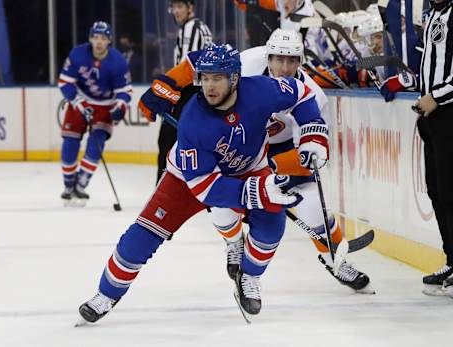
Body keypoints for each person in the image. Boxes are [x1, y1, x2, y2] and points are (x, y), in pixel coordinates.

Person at [77, 43, 328, 324]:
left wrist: (313, 134)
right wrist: (257, 192)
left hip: (250, 168)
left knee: (272, 226)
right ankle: (106, 294)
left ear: (235, 78)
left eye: (217, 78)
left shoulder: (261, 90)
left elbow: (303, 95)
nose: (209, 86)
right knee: (143, 234)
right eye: (205, 78)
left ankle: (250, 276)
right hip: (187, 179)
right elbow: (205, 188)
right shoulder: (192, 122)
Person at [139, 29, 372, 293]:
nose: (284, 67)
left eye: (291, 61)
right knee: (221, 203)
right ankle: (234, 243)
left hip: (281, 151)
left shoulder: (312, 96)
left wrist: (273, 175)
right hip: (237, 144)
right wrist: (166, 84)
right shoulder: (249, 62)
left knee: (313, 207)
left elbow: (309, 153)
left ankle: (336, 260)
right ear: (267, 56)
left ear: (301, 61)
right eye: (277, 60)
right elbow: (200, 61)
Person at [58, 21, 132, 206]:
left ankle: (81, 183)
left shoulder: (118, 62)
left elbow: (125, 90)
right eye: (96, 37)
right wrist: (77, 102)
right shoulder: (78, 54)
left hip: (105, 105)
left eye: (103, 38)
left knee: (97, 140)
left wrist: (120, 105)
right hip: (80, 100)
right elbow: (65, 82)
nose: (99, 42)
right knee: (70, 141)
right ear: (90, 38)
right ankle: (68, 185)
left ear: (109, 41)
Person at [145, 0, 213, 184]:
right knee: (178, 141)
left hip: (189, 93)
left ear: (190, 8)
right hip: (197, 93)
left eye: (180, 6)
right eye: (173, 7)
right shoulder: (197, 27)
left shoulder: (192, 28)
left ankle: (163, 189)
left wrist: (166, 90)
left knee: (167, 140)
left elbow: (188, 67)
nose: (176, 11)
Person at [413, 0, 453, 298]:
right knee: (437, 190)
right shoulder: (433, 14)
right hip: (432, 117)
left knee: (451, 192)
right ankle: (452, 260)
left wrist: (437, 96)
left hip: (449, 114)